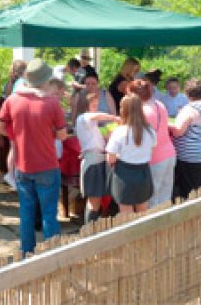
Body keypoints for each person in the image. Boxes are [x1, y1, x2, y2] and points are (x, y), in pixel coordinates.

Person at [0, 58, 67, 254]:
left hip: (23, 166)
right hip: (47, 165)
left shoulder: (12, 99)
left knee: (26, 213)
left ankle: (27, 253)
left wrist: (17, 135)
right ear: (46, 81)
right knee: (49, 214)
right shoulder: (51, 103)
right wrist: (47, 132)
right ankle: (52, 254)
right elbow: (62, 134)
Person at [128, 79, 176, 207]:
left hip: (155, 158)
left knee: (152, 199)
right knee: (165, 197)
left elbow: (138, 139)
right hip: (169, 153)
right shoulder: (159, 104)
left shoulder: (143, 112)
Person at [169, 79, 201, 198]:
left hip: (192, 157)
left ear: (187, 93)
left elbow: (178, 132)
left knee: (190, 191)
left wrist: (167, 124)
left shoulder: (189, 110)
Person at [75, 91, 121, 223]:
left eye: (96, 105)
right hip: (93, 162)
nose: (96, 108)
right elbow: (94, 116)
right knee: (94, 200)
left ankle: (91, 229)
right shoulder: (83, 118)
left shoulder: (90, 123)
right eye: (93, 105)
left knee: (97, 200)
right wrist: (114, 118)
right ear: (85, 105)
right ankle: (89, 230)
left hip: (96, 160)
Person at [106, 94, 156, 213]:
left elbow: (110, 159)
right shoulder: (150, 130)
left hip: (124, 174)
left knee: (126, 214)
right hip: (143, 172)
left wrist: (120, 156)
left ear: (123, 110)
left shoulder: (119, 131)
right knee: (143, 212)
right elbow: (151, 149)